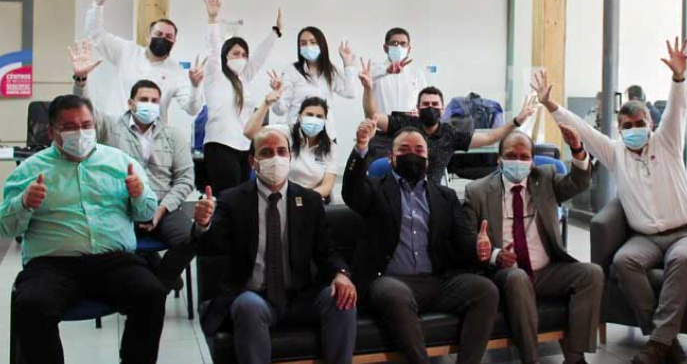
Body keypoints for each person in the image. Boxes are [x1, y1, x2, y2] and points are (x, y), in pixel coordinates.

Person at [532, 38, 687, 364]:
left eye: (640, 124)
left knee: (681, 261)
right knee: (624, 262)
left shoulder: (666, 142)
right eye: (628, 126)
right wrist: (550, 105)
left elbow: (677, 110)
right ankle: (664, 340)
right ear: (619, 129)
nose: (634, 129)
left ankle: (658, 343)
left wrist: (678, 77)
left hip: (686, 234)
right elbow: (581, 129)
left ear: (650, 124)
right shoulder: (615, 152)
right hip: (645, 238)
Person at [0, 94, 165, 364]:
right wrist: (24, 203)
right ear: (52, 132)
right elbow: (6, 228)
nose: (80, 133)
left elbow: (146, 214)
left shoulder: (120, 162)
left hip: (113, 261)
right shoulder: (29, 170)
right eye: (69, 127)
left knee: (151, 294)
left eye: (86, 125)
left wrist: (138, 195)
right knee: (31, 305)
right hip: (52, 264)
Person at [193, 126, 357, 364]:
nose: (276, 158)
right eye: (267, 152)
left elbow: (327, 251)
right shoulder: (232, 200)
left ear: (290, 157)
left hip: (300, 295)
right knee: (248, 306)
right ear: (253, 161)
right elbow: (211, 247)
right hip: (253, 295)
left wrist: (341, 274)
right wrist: (203, 224)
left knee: (342, 298)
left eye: (281, 151)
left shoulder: (309, 201)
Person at [343, 120, 499, 364]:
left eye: (419, 150)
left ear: (428, 158)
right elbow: (351, 192)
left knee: (485, 289)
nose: (412, 155)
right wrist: (361, 147)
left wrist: (478, 247)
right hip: (389, 280)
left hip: (436, 281)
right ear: (391, 157)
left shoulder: (445, 196)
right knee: (395, 294)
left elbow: (463, 239)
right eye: (404, 150)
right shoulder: (375, 189)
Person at [463, 128, 601, 364]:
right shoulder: (477, 191)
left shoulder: (545, 178)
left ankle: (575, 357)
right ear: (499, 159)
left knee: (592, 273)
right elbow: (466, 238)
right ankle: (531, 359)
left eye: (524, 157)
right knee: (517, 277)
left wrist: (577, 149)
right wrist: (494, 254)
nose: (518, 161)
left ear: (532, 161)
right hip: (505, 274)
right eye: (511, 155)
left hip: (546, 271)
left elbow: (579, 182)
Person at [69, 39, 196, 292]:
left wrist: (161, 209)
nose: (150, 104)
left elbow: (185, 179)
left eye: (154, 101)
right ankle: (146, 273)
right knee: (110, 249)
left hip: (163, 205)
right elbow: (85, 112)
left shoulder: (173, 136)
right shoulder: (111, 127)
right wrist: (81, 81)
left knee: (190, 240)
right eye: (144, 99)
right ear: (131, 103)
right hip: (121, 208)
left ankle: (158, 285)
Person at [359, 60, 537, 184]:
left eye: (434, 104)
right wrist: (368, 89)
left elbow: (489, 138)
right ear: (417, 108)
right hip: (399, 192)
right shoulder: (405, 123)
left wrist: (517, 121)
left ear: (443, 109)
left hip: (433, 195)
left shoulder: (449, 134)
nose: (430, 107)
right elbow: (372, 115)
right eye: (425, 104)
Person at [84, 0, 205, 122]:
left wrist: (195, 86)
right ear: (148, 36)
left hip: (153, 133)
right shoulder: (126, 51)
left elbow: (192, 110)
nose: (163, 38)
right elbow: (95, 34)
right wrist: (98, 4)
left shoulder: (176, 72)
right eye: (158, 34)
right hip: (117, 128)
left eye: (168, 36)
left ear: (174, 42)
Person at [202, 0, 280, 195]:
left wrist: (275, 33)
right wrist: (213, 19)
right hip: (220, 144)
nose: (241, 58)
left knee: (242, 197)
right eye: (236, 53)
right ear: (225, 56)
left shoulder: (244, 78)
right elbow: (213, 49)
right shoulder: (216, 75)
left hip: (244, 146)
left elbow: (260, 56)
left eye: (244, 54)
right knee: (227, 196)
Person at [244, 93, 338, 203]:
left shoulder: (330, 147)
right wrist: (266, 104)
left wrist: (301, 198)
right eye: (309, 115)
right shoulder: (286, 132)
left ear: (325, 120)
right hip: (280, 198)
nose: (314, 119)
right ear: (300, 116)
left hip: (312, 200)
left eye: (319, 117)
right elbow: (250, 132)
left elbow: (327, 186)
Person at [271, 26, 357, 137]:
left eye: (313, 42)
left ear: (321, 45)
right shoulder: (292, 71)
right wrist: (277, 95)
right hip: (297, 136)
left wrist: (348, 64)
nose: (308, 46)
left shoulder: (330, 71)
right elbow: (279, 111)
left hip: (326, 135)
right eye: (303, 43)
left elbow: (351, 92)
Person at [367, 27, 428, 158]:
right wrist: (386, 71)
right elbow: (366, 79)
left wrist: (419, 113)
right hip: (381, 132)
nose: (399, 47)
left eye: (403, 44)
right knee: (380, 167)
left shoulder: (417, 74)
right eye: (394, 43)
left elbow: (424, 100)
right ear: (385, 48)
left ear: (409, 48)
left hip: (409, 132)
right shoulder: (375, 69)